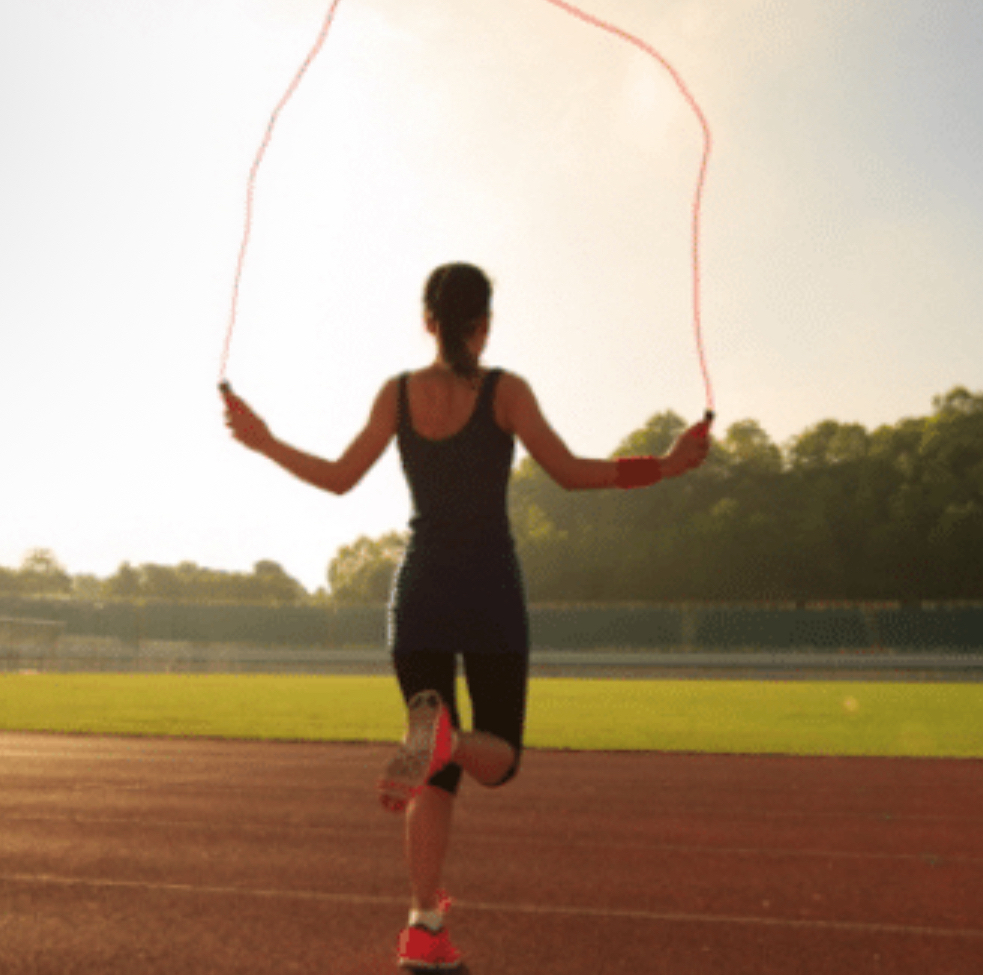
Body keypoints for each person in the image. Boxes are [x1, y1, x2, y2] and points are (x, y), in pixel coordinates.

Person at [221, 261, 711, 971]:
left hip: (418, 592)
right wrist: (663, 466)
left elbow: (336, 478)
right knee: (498, 759)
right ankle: (445, 744)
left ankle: (424, 925)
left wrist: (263, 439)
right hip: (488, 590)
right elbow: (572, 473)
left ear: (428, 321)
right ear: (484, 325)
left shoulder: (395, 394)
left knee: (432, 774)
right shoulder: (506, 391)